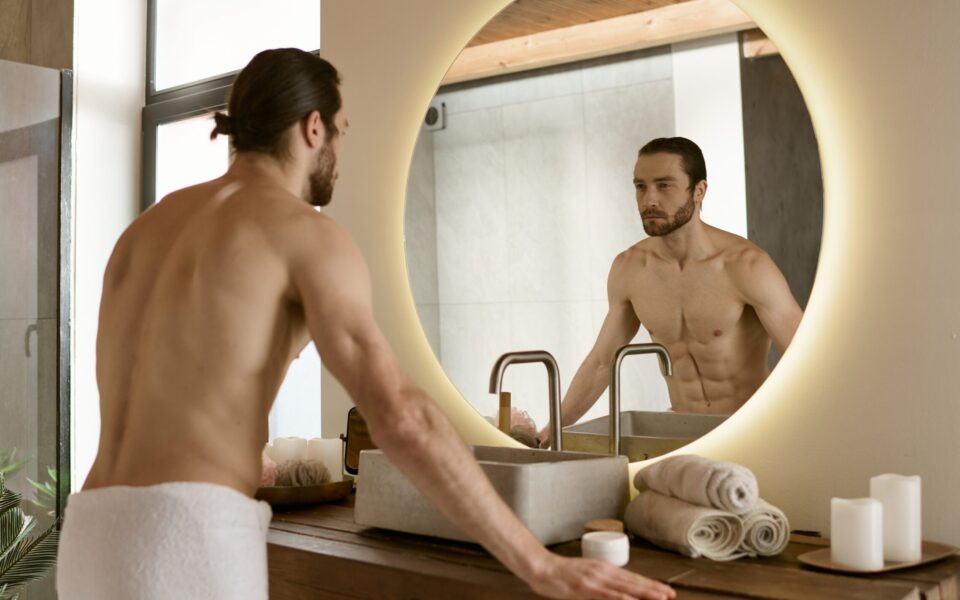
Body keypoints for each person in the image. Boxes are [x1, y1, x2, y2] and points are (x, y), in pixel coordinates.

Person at [55, 49, 675, 600]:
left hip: (90, 534)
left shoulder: (147, 230)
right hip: (184, 537)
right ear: (313, 127)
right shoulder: (303, 233)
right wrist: (539, 564)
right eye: (342, 133)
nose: (339, 157)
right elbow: (402, 418)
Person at [539, 137, 803, 446]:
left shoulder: (746, 266)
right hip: (679, 431)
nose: (649, 200)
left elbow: (804, 358)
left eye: (664, 186)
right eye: (641, 187)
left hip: (751, 429)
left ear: (699, 191)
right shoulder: (630, 268)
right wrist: (551, 431)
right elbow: (601, 363)